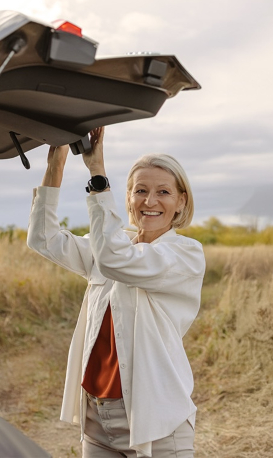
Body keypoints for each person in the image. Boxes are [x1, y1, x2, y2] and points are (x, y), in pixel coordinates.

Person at [27, 126, 205, 457]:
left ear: (181, 202)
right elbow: (43, 239)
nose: (150, 201)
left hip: (156, 424)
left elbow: (114, 260)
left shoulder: (185, 255)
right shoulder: (115, 243)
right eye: (140, 190)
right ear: (127, 198)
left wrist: (97, 172)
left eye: (164, 192)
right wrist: (57, 163)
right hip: (98, 419)